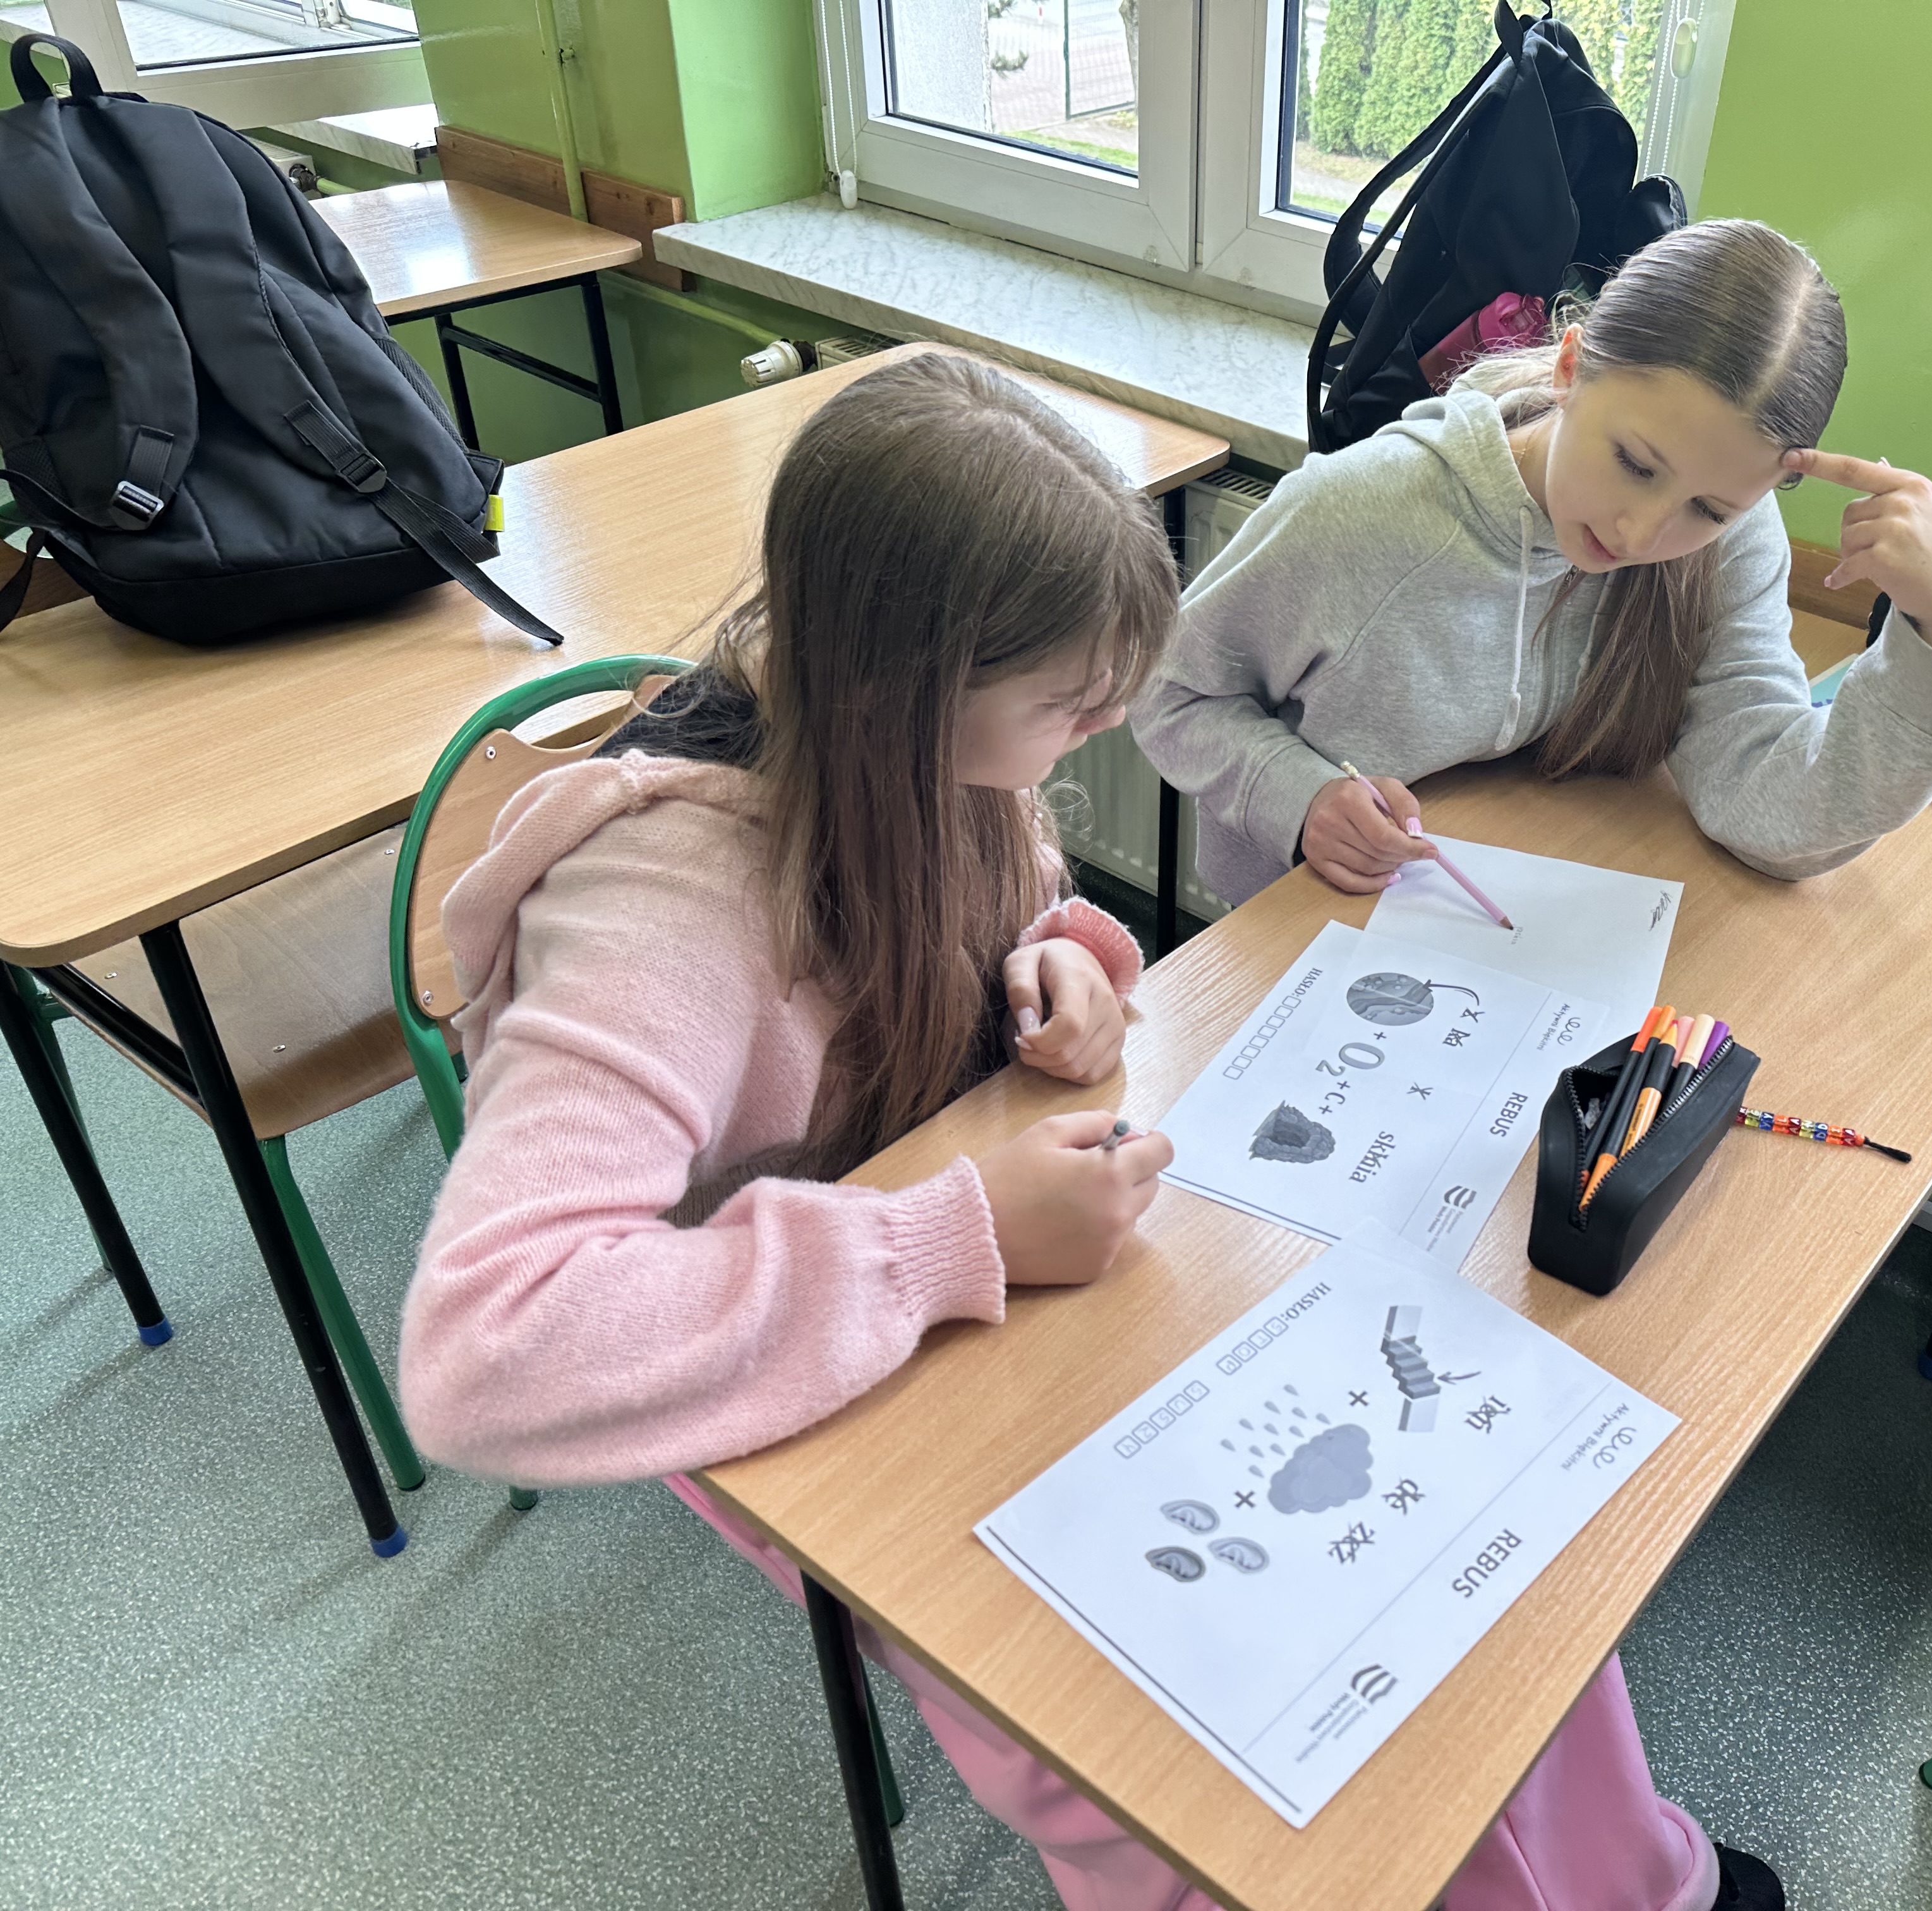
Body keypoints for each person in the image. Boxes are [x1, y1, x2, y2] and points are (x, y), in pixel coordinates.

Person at [399, 354, 1770, 1911]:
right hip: (780, 1360)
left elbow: (1005, 910)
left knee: (1457, 1549)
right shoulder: (659, 914)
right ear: (899, 691)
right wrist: (949, 1237)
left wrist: (1057, 960)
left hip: (974, 1259)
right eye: (1069, 705)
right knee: (1161, 1749)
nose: (1105, 726)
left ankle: (1638, 1883)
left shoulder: (925, 752)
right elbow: (487, 1349)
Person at [1130, 219, 1932, 908]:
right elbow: (1168, 691)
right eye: (1635, 462)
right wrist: (1300, 798)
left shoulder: (1732, 540)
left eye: (1710, 509)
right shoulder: (1364, 511)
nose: (1642, 531)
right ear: (1570, 365)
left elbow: (1768, 807)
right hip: (1298, 930)